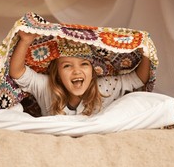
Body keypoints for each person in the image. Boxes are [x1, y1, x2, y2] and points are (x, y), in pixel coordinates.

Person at [9, 30, 151, 116]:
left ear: (93, 71)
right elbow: (17, 73)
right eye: (67, 66)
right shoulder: (46, 87)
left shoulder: (103, 87)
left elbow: (138, 79)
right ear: (57, 73)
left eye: (84, 64)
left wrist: (146, 53)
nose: (77, 71)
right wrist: (25, 41)